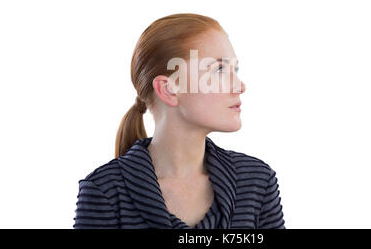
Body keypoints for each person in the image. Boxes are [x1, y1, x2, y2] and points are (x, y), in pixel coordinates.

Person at [73, 13, 285, 229]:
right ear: (168, 89)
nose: (240, 86)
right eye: (219, 69)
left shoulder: (257, 181)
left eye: (235, 69)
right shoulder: (104, 190)